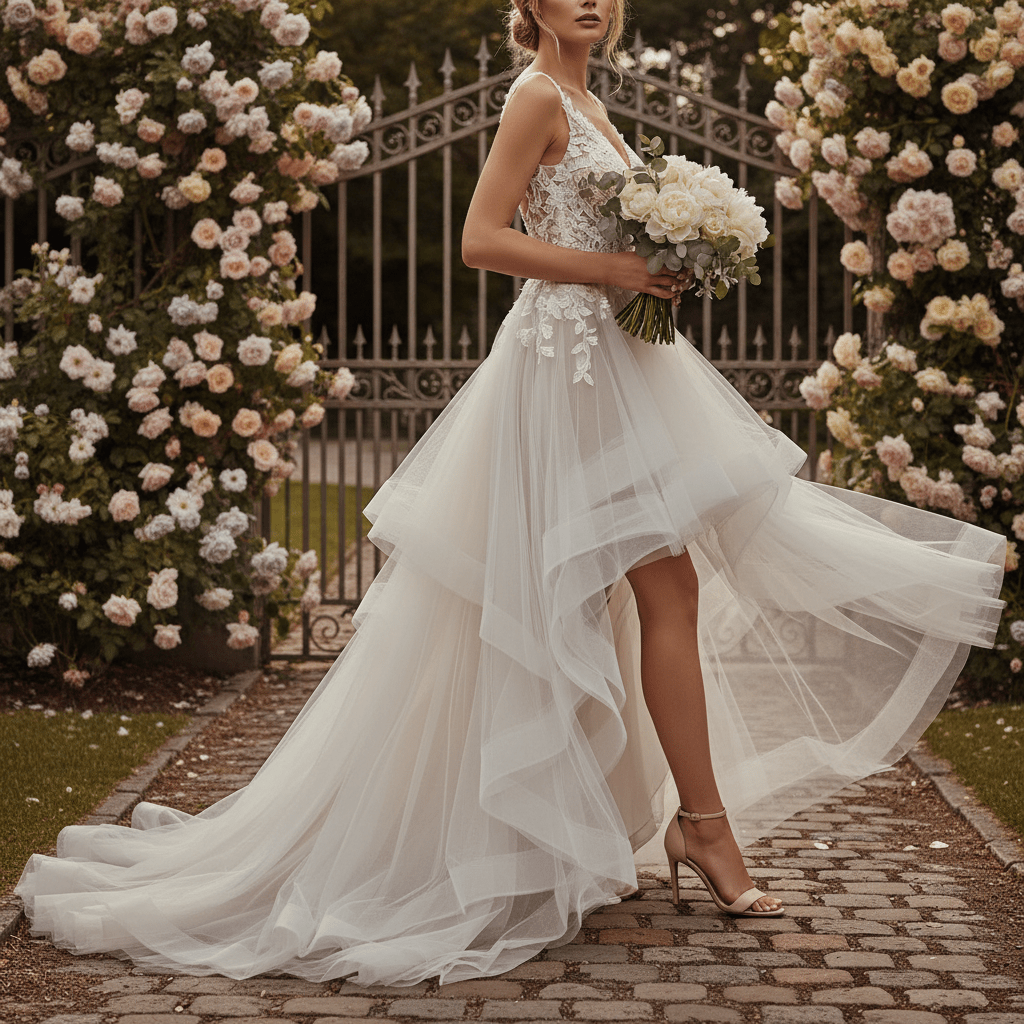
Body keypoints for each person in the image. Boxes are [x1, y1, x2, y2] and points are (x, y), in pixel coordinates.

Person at [16, 0, 1005, 989]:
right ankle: (686, 828)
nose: (591, 0)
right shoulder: (537, 97)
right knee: (647, 588)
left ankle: (625, 827)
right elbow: (480, 240)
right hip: (565, 372)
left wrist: (662, 266)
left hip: (613, 363)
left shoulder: (591, 102)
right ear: (530, 4)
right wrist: (613, 266)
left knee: (637, 593)